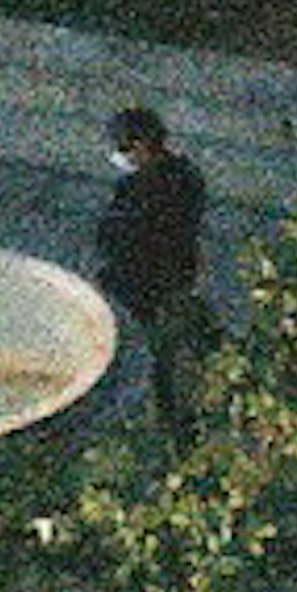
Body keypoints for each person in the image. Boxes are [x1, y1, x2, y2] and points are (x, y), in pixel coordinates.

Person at [91, 104, 210, 443]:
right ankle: (179, 424)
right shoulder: (187, 175)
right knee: (175, 357)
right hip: (176, 281)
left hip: (144, 291)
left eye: (124, 148)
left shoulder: (138, 191)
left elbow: (120, 241)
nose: (120, 157)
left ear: (142, 145)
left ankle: (172, 431)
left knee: (158, 363)